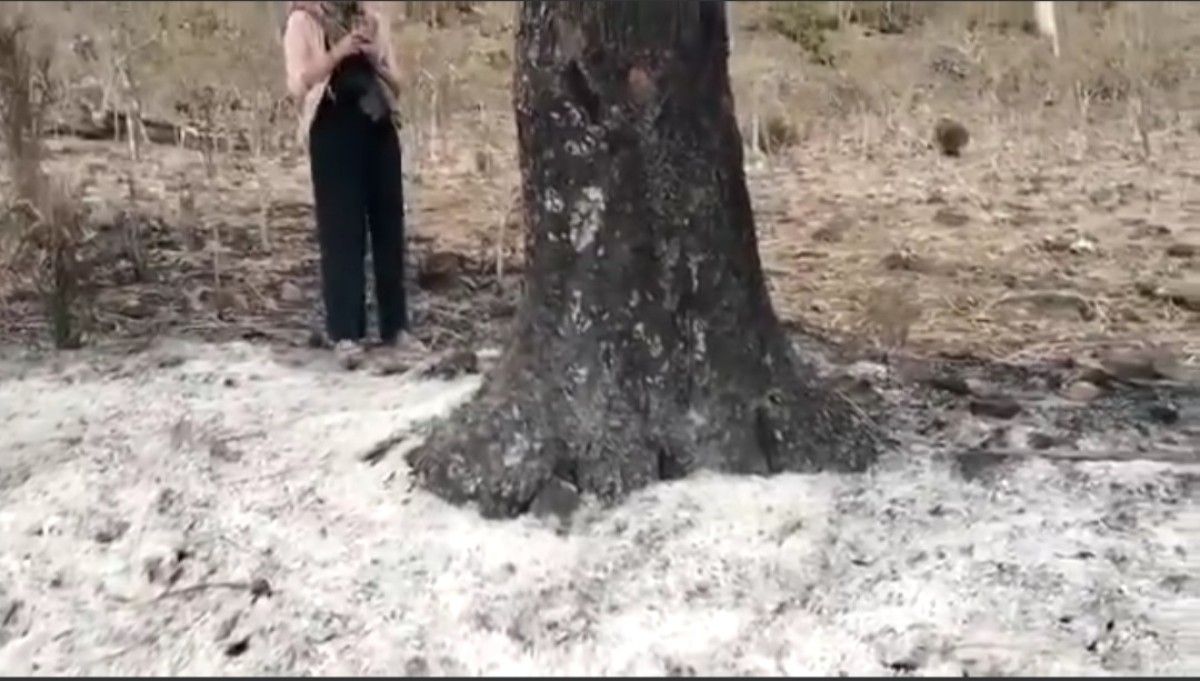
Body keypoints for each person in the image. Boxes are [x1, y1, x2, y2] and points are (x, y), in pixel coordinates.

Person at [282, 1, 422, 369]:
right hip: (332, 128)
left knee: (389, 225)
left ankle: (397, 327)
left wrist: (374, 58)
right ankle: (346, 333)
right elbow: (297, 84)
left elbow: (398, 83)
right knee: (342, 229)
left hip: (378, 124)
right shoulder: (303, 20)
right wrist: (339, 52)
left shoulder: (372, 18)